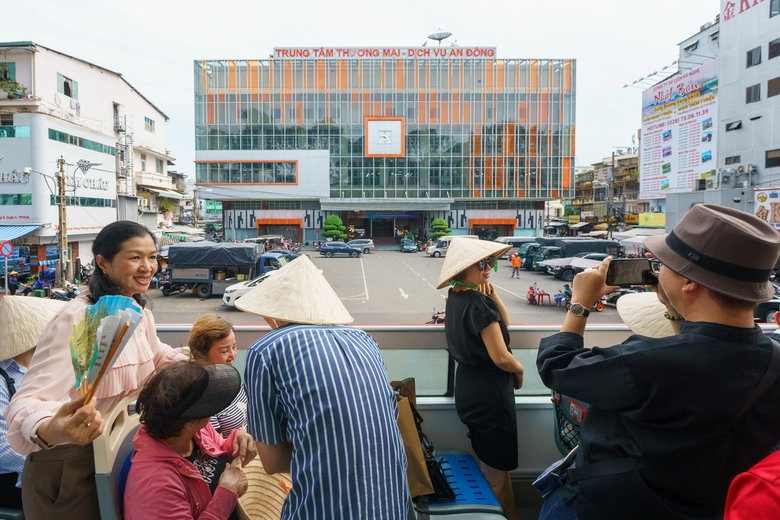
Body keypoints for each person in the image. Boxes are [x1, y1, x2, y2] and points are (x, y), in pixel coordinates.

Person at [536, 204, 780, 520]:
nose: (656, 270)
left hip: (611, 505)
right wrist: (676, 303)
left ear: (690, 283)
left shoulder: (648, 362)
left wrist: (580, 304)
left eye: (664, 264)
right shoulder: (773, 360)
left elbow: (556, 365)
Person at [6, 220, 184, 518]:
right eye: (134, 257)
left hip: (117, 456)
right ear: (103, 262)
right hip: (70, 467)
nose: (148, 266)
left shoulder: (137, 311)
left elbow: (155, 356)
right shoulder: (84, 320)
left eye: (152, 256)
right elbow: (26, 402)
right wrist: (54, 427)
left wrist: (192, 361)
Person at [236, 255, 408, 520]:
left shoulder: (266, 350)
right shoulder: (365, 340)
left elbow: (272, 462)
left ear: (271, 313)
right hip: (394, 506)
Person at [436, 238, 525, 520]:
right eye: (481, 264)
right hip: (490, 396)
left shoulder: (457, 297)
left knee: (498, 471)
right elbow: (501, 356)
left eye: (490, 262)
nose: (488, 268)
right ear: (462, 269)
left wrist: (492, 295)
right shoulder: (477, 304)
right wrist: (519, 370)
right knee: (496, 477)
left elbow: (504, 322)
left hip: (469, 390)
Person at [124, 362, 255, 520]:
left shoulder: (194, 431)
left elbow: (218, 449)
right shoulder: (156, 484)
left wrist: (236, 440)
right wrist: (227, 493)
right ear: (189, 421)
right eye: (206, 401)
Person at [0, 297, 65, 509]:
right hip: (14, 478)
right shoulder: (2, 379)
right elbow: (2, 449)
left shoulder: (46, 369)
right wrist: (53, 458)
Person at [188, 313, 248, 436]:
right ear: (200, 354)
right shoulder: (204, 396)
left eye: (235, 347)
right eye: (224, 351)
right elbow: (213, 447)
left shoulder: (228, 376)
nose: (233, 355)